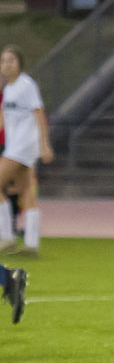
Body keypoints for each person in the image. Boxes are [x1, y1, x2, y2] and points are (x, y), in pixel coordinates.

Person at [0, 46, 51, 258]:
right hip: (16, 146)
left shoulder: (26, 85)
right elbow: (4, 120)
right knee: (26, 192)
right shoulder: (8, 89)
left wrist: (45, 144)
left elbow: (39, 113)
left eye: (11, 60)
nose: (6, 64)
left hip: (24, 145)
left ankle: (7, 237)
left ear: (20, 63)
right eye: (3, 61)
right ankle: (31, 244)